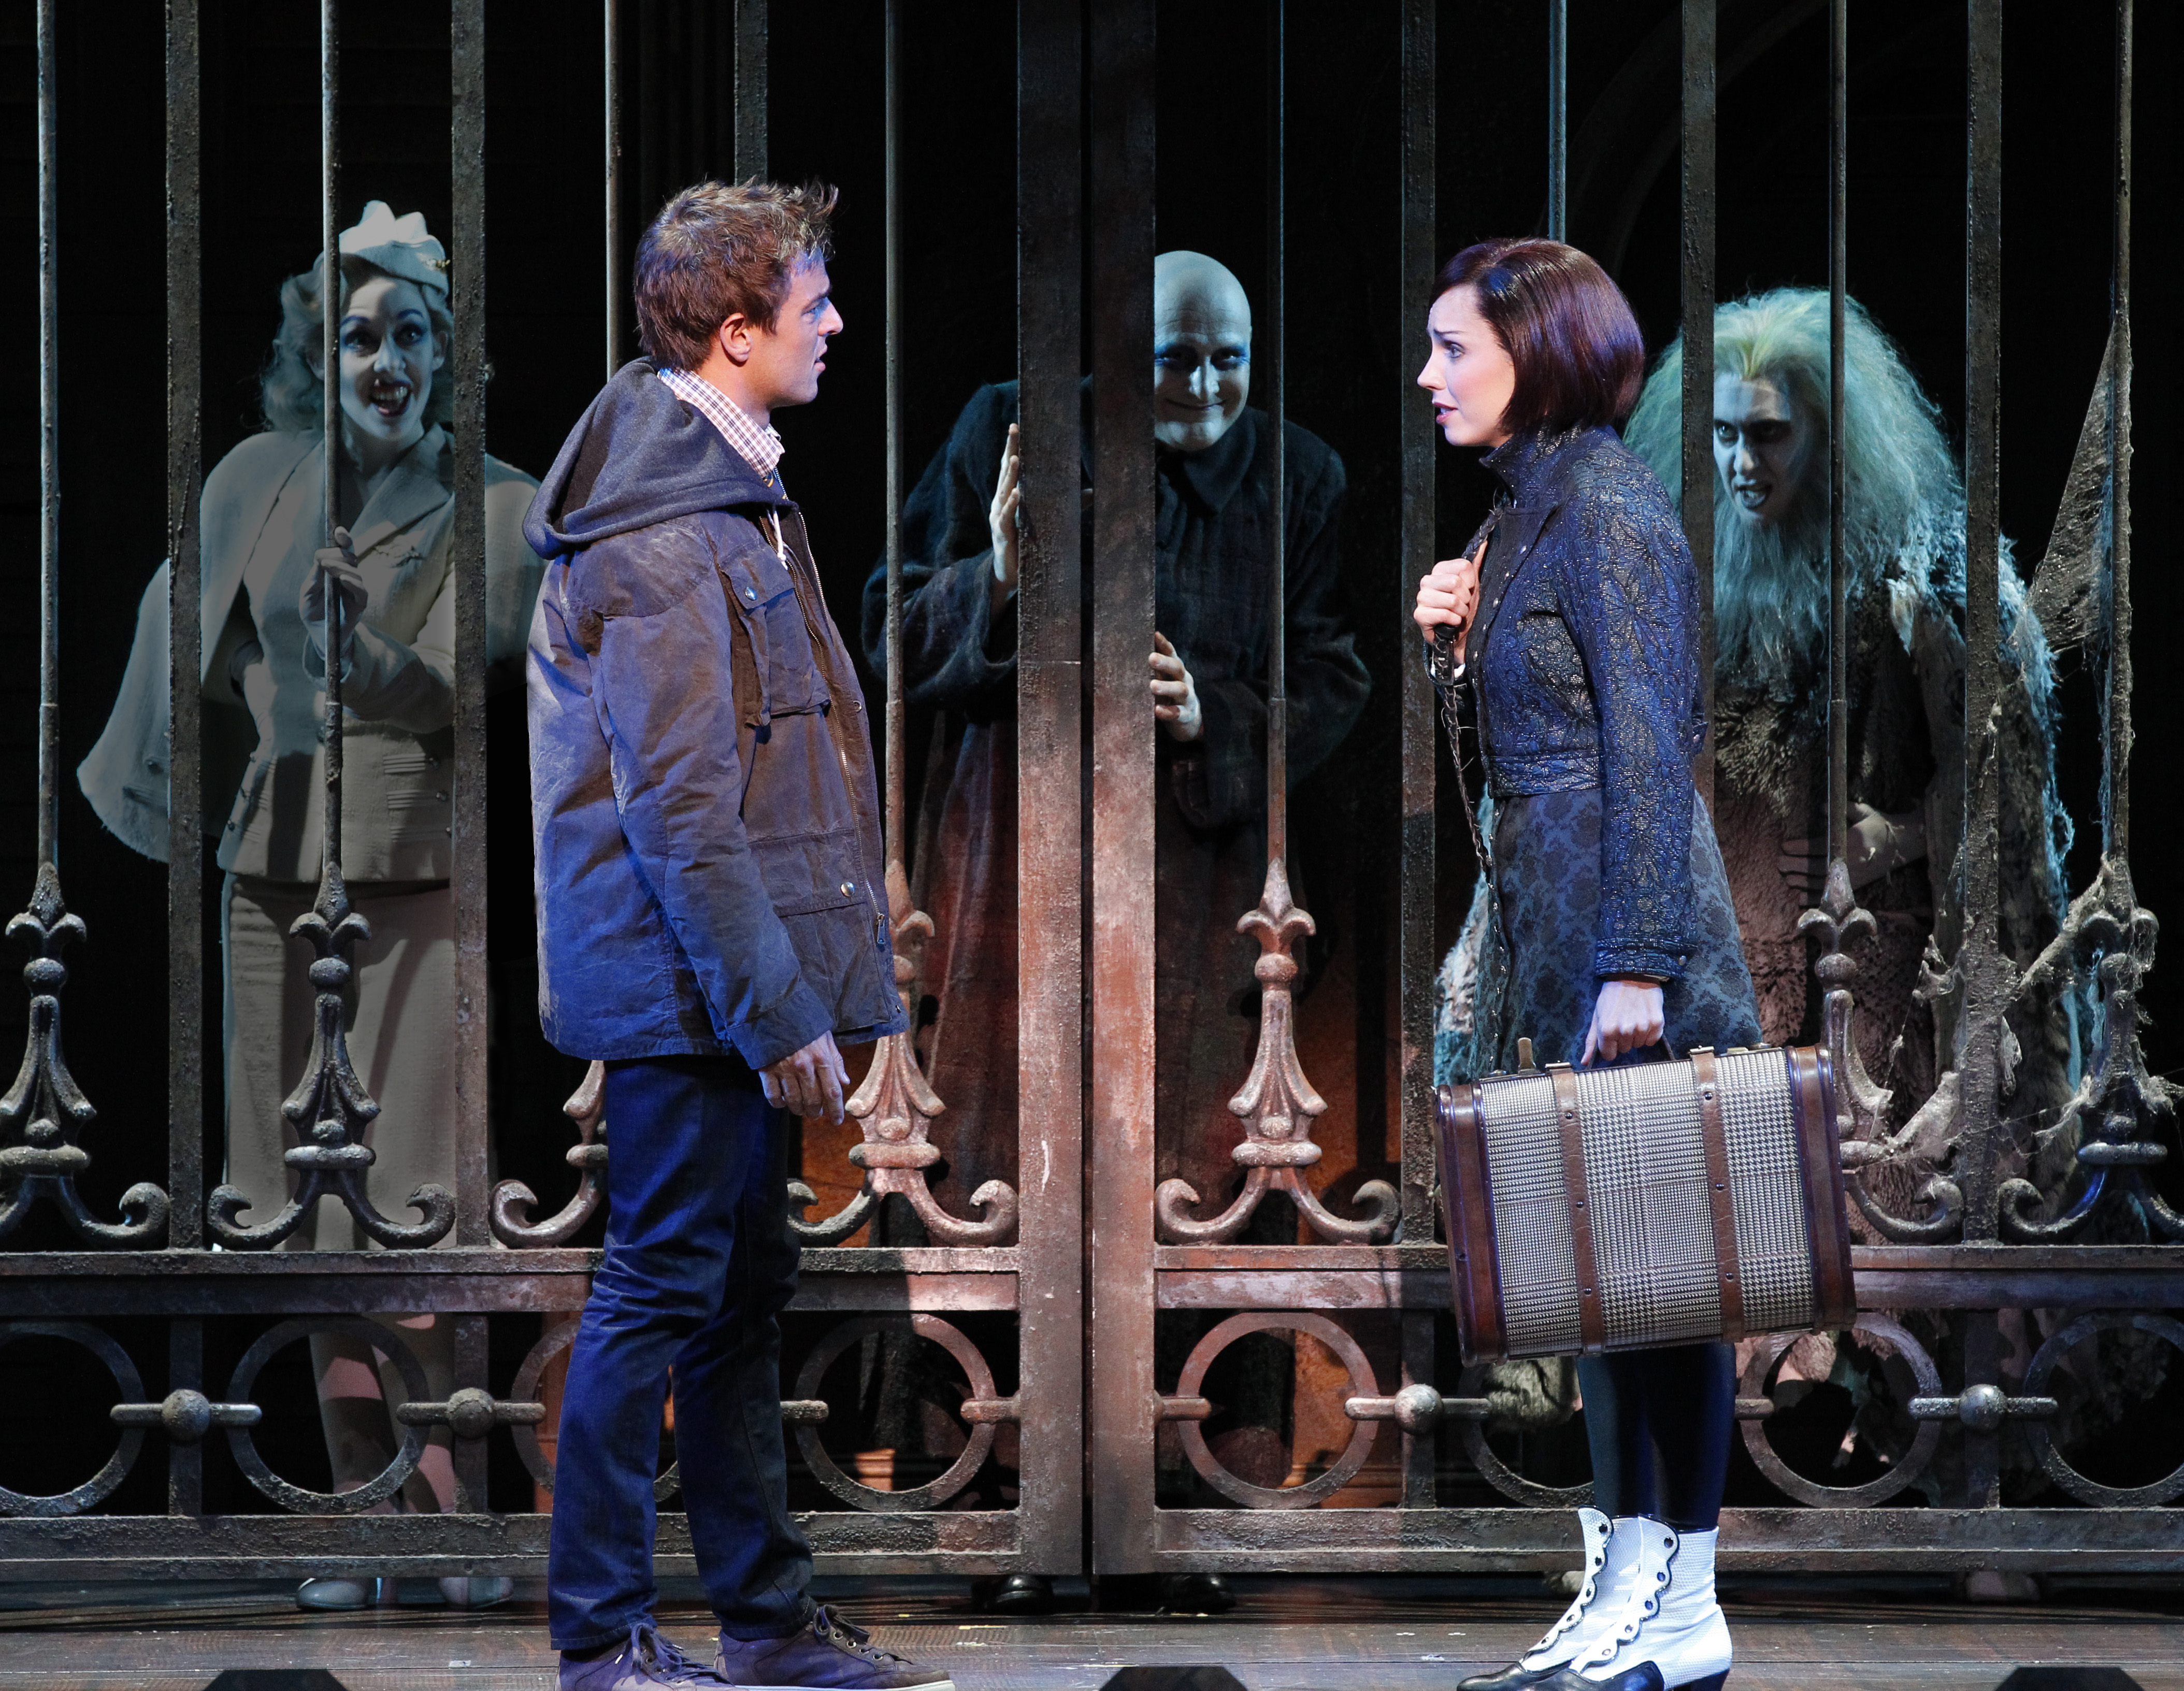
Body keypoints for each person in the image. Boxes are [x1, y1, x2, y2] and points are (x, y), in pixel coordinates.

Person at [79, 201, 544, 1612]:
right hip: (271, 880)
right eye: (356, 338)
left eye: (410, 336)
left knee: (414, 1212)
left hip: (414, 882)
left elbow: (468, 681)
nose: (383, 363)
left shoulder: (500, 503)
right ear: (316, 355)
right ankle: (359, 1517)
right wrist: (253, 684)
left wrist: (366, 660)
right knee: (302, 1211)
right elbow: (190, 637)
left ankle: (450, 1515)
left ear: (446, 355)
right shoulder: (259, 482)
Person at [524, 180, 951, 1691]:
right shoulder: (659, 535)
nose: (834, 324)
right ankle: (601, 1640)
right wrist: (776, 1008)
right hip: (684, 990)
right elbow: (682, 808)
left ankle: (763, 1623)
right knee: (657, 1291)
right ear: (733, 331)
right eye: (812, 303)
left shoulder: (723, 495)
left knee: (736, 1299)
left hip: (719, 980)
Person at [1412, 239, 1758, 1691]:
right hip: (1562, 937)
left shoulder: (1607, 508)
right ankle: (1624, 1581)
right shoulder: (1525, 513)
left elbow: (1650, 752)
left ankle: (1687, 1602)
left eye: (1453, 349)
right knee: (1606, 1289)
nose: (1429, 377)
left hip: (1630, 949)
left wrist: (1635, 967)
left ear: (1538, 351)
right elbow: (1516, 753)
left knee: (1664, 1285)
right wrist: (1453, 652)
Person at [1618, 289, 2073, 1206]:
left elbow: (2006, 772)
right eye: (1724, 435)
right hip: (1723, 981)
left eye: (1770, 435)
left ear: (1830, 439)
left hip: (1872, 988)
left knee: (1871, 1231)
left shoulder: (1923, 571)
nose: (1743, 463)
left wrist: (1899, 836)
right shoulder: (1679, 572)